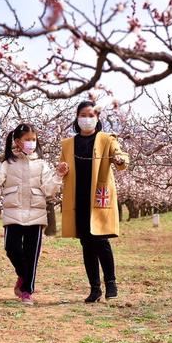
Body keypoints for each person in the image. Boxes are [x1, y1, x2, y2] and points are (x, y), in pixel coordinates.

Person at [0, 123, 64, 305]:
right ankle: (23, 277)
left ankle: (27, 291)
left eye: (33, 139)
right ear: (17, 141)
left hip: (36, 214)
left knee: (32, 254)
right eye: (27, 139)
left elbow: (48, 189)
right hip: (13, 213)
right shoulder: (7, 164)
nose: (31, 143)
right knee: (11, 248)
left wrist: (58, 175)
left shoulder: (41, 164)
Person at [57, 101, 129, 303]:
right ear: (77, 117)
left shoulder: (106, 139)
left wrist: (120, 160)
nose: (86, 118)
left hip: (98, 195)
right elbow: (63, 169)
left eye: (91, 115)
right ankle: (95, 288)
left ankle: (111, 282)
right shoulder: (68, 144)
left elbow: (119, 154)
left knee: (101, 240)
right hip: (78, 195)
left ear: (97, 118)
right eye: (83, 114)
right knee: (86, 243)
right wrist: (61, 171)